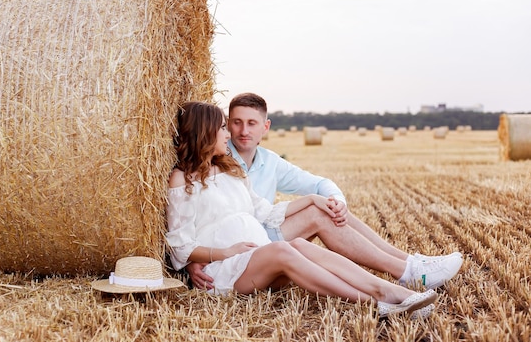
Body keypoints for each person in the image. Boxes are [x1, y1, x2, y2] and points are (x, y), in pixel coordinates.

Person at [166, 101, 438, 318]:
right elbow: (180, 243)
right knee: (284, 248)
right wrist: (221, 252)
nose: (230, 134)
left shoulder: (230, 170)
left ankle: (392, 291)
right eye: (224, 127)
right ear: (205, 131)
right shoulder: (183, 180)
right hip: (222, 271)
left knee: (298, 244)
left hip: (257, 256)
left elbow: (263, 211)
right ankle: (374, 301)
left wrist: (311, 199)